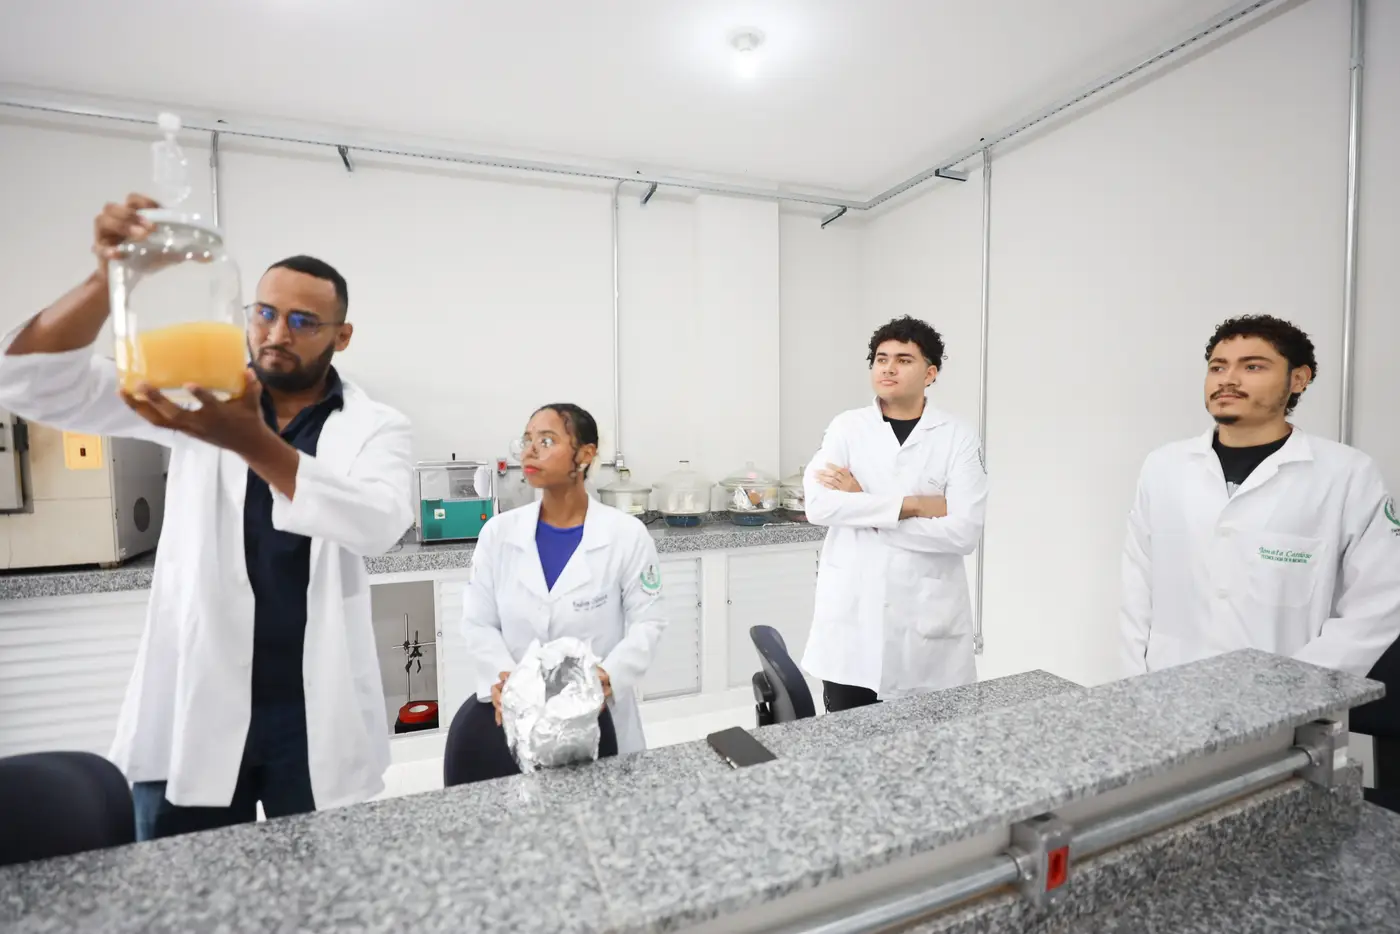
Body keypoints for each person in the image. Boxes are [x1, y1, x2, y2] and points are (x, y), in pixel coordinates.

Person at [0, 194, 413, 839]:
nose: (277, 334)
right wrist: (110, 278)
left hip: (313, 710)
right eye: (265, 313)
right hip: (196, 700)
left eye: (303, 321)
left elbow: (380, 524)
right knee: (183, 887)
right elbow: (28, 383)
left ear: (342, 336)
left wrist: (253, 443)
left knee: (327, 885)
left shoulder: (377, 426)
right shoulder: (196, 393)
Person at [1120, 314, 1400, 677]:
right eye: (1218, 367)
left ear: (1298, 379)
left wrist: (1298, 688)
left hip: (1288, 699)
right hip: (1167, 687)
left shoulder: (1347, 474)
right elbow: (1136, 586)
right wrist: (1133, 684)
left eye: (1252, 366)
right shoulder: (1163, 466)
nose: (1228, 379)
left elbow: (1380, 602)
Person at [444, 403, 667, 785]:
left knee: (606, 809)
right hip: (519, 721)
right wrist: (509, 682)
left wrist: (608, 676)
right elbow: (478, 622)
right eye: (527, 440)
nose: (530, 451)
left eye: (546, 441)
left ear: (585, 454)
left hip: (599, 719)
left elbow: (649, 621)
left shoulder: (626, 535)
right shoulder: (498, 534)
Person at [801, 316, 988, 712]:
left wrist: (862, 506)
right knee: (849, 741)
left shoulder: (958, 436)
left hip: (927, 631)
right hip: (853, 630)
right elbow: (818, 505)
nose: (888, 368)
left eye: (904, 360)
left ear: (930, 373)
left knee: (932, 741)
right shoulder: (847, 427)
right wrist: (913, 505)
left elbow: (963, 533)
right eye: (881, 359)